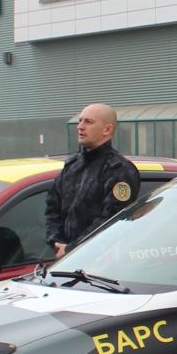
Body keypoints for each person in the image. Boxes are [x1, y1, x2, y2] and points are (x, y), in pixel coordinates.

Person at [46, 103, 141, 257]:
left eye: (88, 122)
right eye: (80, 121)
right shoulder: (72, 166)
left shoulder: (119, 170)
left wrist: (71, 249)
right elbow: (52, 208)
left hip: (100, 262)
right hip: (65, 260)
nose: (80, 127)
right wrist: (57, 243)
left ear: (107, 129)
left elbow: (112, 220)